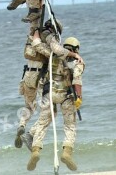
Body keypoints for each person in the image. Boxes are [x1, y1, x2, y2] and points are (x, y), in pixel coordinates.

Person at [17, 19, 83, 152]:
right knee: (66, 123)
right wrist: (79, 98)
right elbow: (77, 80)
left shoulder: (50, 53)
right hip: (61, 93)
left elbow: (36, 45)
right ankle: (64, 149)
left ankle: (27, 131)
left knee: (40, 112)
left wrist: (36, 33)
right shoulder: (67, 56)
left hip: (36, 83)